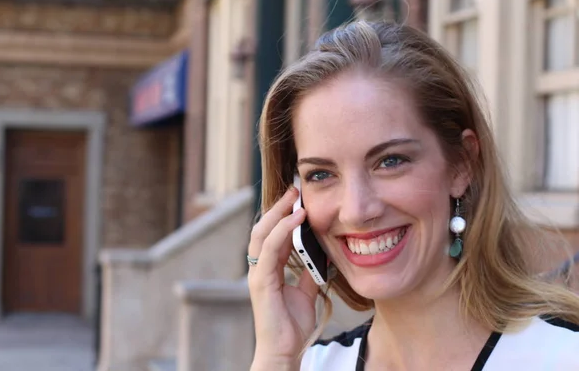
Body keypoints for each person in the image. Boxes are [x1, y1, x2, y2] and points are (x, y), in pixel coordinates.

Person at [246, 21, 579, 371]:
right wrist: (277, 358)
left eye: (389, 161)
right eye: (322, 175)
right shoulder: (310, 365)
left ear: (461, 164)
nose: (357, 211)